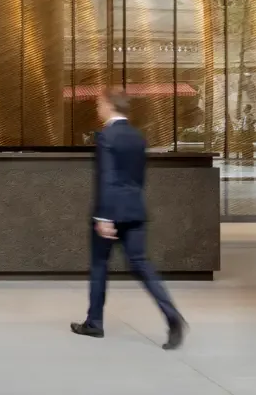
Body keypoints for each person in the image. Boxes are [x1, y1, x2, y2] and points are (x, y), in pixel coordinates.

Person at [70, 90, 185, 349]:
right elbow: (138, 178)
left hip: (110, 211)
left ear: (109, 105)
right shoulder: (137, 137)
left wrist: (104, 217)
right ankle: (172, 316)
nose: (97, 109)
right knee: (141, 264)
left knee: (99, 265)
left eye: (99, 104)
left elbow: (107, 177)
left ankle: (94, 323)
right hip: (135, 210)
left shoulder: (106, 136)